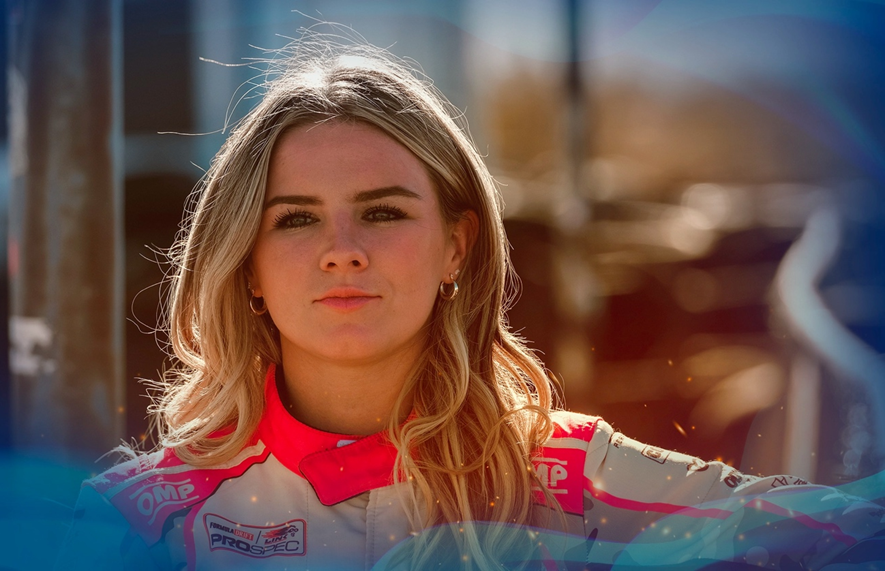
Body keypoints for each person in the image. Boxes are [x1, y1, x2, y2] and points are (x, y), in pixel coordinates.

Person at [55, 36, 885, 570]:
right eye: (296, 219)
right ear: (247, 265)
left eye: (383, 212)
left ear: (457, 245)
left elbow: (841, 527)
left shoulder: (569, 475)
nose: (342, 249)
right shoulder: (143, 516)